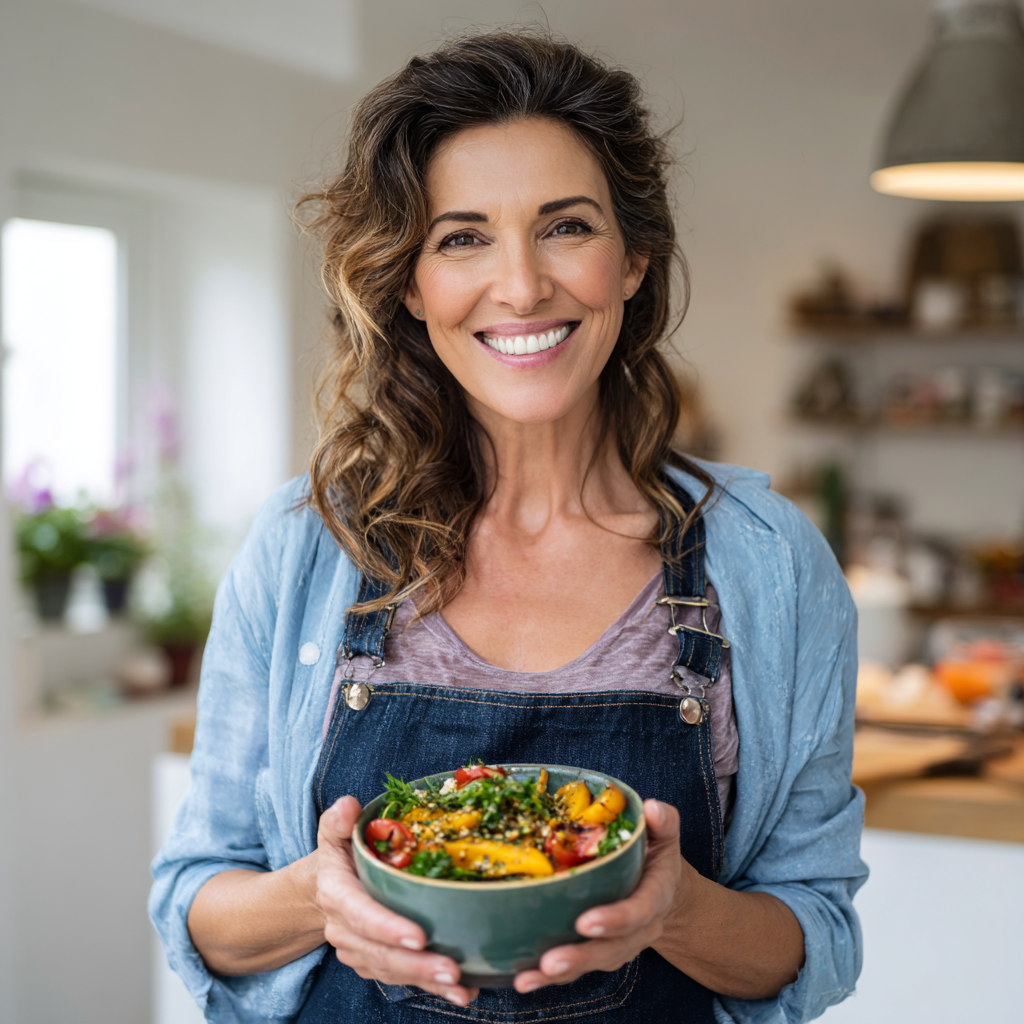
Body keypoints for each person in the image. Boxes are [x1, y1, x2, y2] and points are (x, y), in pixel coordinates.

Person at [150, 30, 867, 1024]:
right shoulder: (305, 545)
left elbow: (814, 929)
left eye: (566, 226)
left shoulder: (771, 562)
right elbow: (196, 902)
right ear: (409, 283)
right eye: (462, 237)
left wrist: (675, 911)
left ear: (634, 259)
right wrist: (317, 896)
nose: (522, 286)